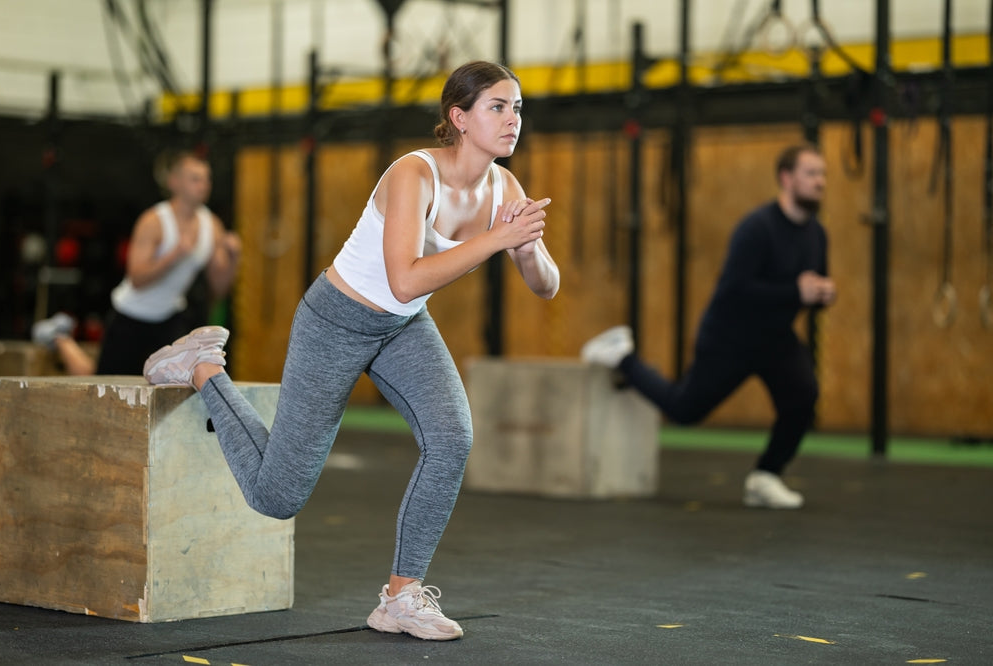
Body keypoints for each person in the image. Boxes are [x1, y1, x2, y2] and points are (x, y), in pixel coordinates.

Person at [140, 61, 560, 641]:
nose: (513, 119)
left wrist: (527, 245)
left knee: (452, 438)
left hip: (403, 328)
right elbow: (405, 278)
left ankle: (400, 597)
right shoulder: (413, 175)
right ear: (458, 118)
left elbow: (544, 285)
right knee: (276, 496)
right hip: (335, 321)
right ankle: (202, 366)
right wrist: (497, 239)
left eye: (517, 108)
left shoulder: (503, 188)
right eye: (498, 107)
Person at [581, 144, 835, 510]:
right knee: (685, 411)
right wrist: (795, 290)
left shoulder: (817, 235)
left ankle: (766, 476)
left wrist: (822, 295)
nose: (819, 182)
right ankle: (622, 356)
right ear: (786, 178)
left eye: (822, 174)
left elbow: (810, 287)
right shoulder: (757, 228)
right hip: (730, 335)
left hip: (775, 338)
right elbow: (735, 289)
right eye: (811, 173)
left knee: (803, 397)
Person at [31, 150, 242, 375]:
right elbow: (137, 278)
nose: (204, 185)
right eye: (195, 179)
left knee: (176, 383)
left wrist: (233, 258)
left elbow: (219, 288)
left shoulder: (212, 226)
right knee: (102, 385)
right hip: (132, 314)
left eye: (207, 179)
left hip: (170, 316)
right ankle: (59, 337)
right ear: (174, 182)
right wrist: (173, 256)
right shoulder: (154, 221)